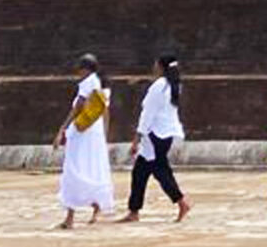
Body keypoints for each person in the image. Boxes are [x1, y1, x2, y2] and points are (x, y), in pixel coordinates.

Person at [122, 55, 191, 224]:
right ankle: (134, 210)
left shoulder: (159, 86)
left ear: (161, 67)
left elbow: (147, 114)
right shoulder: (174, 85)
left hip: (154, 135)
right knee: (140, 172)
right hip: (166, 134)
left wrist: (136, 139)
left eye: (156, 64)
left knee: (160, 171)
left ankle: (181, 202)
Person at [56, 53, 115, 229]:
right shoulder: (102, 86)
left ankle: (70, 217)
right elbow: (106, 113)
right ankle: (95, 206)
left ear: (85, 69)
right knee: (92, 168)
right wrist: (105, 133)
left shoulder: (88, 82)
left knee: (73, 169)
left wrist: (63, 128)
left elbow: (78, 106)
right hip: (95, 134)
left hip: (82, 133)